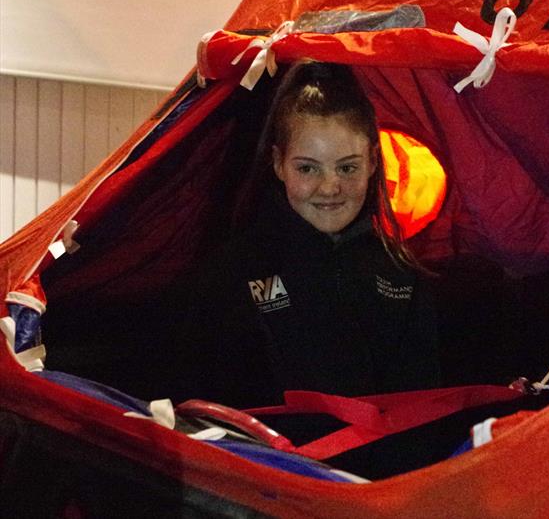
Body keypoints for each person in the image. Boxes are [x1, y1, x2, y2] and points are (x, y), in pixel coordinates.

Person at [166, 61, 441, 409]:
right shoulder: (233, 271)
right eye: (308, 168)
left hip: (377, 464)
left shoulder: (403, 276)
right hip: (263, 461)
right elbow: (198, 406)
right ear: (279, 164)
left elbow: (422, 411)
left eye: (347, 167)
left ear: (373, 161)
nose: (330, 187)